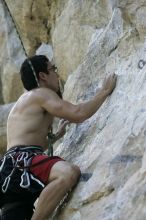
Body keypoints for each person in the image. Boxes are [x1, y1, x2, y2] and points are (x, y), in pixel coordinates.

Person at [0, 55, 117, 220]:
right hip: (21, 162)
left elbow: (24, 139)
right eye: (52, 69)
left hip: (10, 172)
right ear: (42, 76)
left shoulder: (25, 101)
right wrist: (103, 92)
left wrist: (54, 138)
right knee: (68, 173)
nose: (57, 73)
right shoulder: (41, 94)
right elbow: (78, 113)